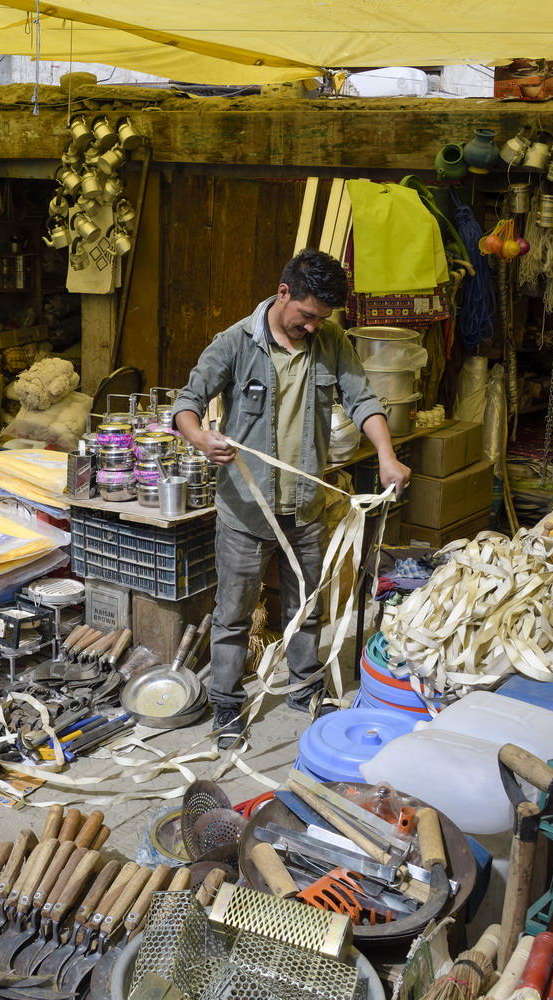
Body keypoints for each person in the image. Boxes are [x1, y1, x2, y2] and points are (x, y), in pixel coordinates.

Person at [173, 249, 412, 749]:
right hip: (245, 509)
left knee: (307, 606)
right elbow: (187, 402)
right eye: (307, 315)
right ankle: (227, 705)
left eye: (322, 318)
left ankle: (305, 690)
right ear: (284, 294)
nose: (313, 325)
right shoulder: (235, 343)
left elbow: (362, 398)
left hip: (304, 506)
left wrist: (386, 455)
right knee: (233, 613)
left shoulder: (330, 341)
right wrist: (200, 438)